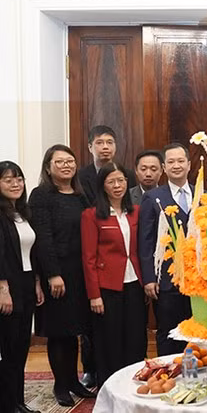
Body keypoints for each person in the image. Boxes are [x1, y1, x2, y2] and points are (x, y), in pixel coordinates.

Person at [29, 145, 95, 407]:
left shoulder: (80, 195)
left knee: (75, 329)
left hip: (80, 273)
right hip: (56, 274)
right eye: (59, 162)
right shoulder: (41, 195)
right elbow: (43, 237)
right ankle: (60, 385)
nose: (66, 166)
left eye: (70, 161)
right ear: (48, 167)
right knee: (59, 331)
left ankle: (73, 381)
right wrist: (53, 274)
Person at [81, 163, 147, 388]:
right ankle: (110, 388)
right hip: (107, 287)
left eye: (121, 180)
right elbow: (88, 258)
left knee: (136, 337)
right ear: (103, 185)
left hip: (134, 283)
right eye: (111, 182)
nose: (117, 186)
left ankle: (134, 385)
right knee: (109, 340)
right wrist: (94, 295)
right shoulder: (92, 215)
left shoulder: (136, 211)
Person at [138, 143, 194, 356]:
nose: (176, 165)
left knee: (197, 331)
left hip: (199, 279)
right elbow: (146, 240)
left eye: (180, 161)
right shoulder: (153, 198)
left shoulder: (203, 194)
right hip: (167, 280)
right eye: (171, 162)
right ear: (164, 167)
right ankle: (169, 371)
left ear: (189, 165)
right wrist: (149, 278)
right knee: (169, 331)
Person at [0, 161, 45, 413]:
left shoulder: (23, 213)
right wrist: (3, 289)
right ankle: (8, 404)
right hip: (8, 286)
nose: (15, 184)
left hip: (26, 283)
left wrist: (37, 282)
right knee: (8, 347)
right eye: (8, 180)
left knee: (21, 346)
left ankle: (18, 401)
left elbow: (31, 252)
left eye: (19, 179)